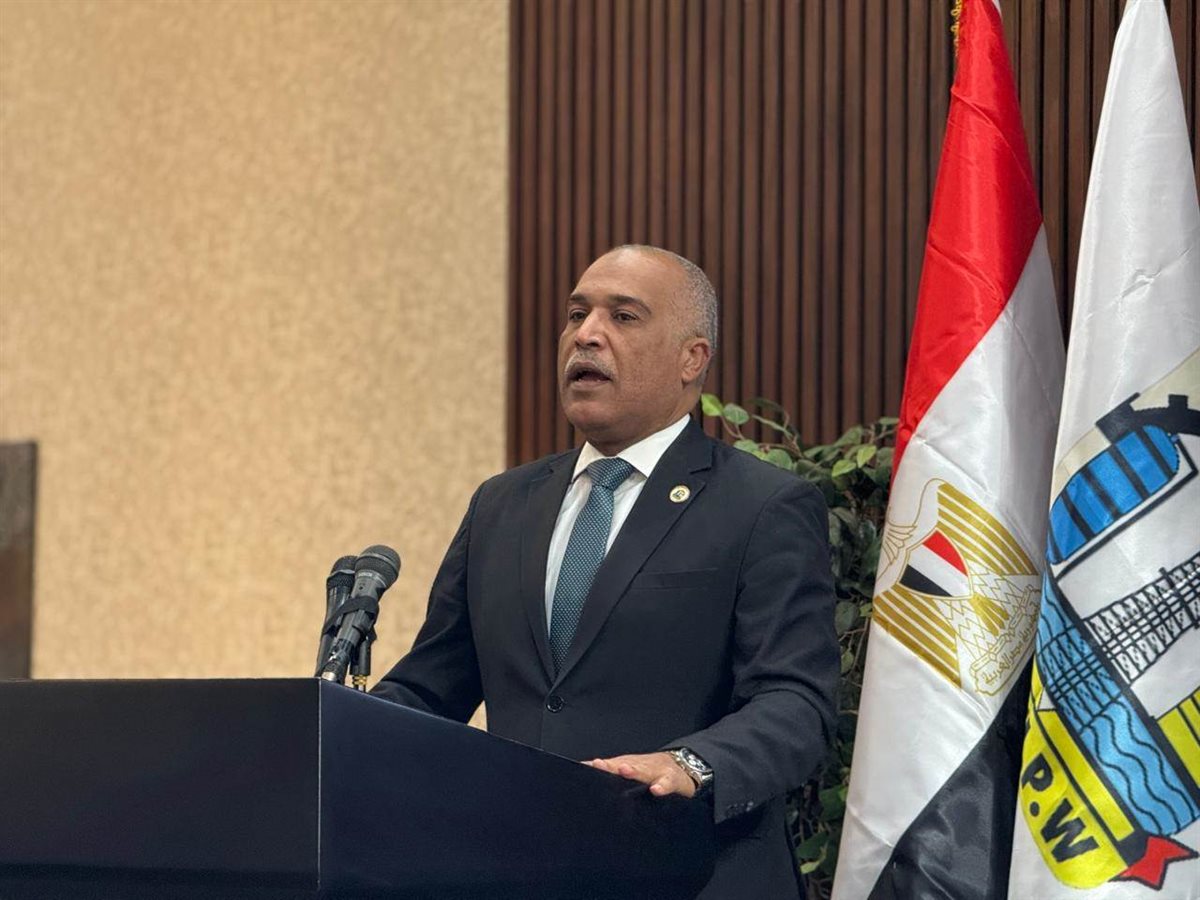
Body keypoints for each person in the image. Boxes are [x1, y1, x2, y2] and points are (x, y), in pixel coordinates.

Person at [372, 245, 838, 899]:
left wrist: (688, 764)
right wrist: (329, 729)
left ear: (691, 359)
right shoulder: (502, 505)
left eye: (623, 316)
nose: (586, 334)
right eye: (576, 314)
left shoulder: (762, 506)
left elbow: (796, 704)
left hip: (691, 873)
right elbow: (430, 689)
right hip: (521, 875)